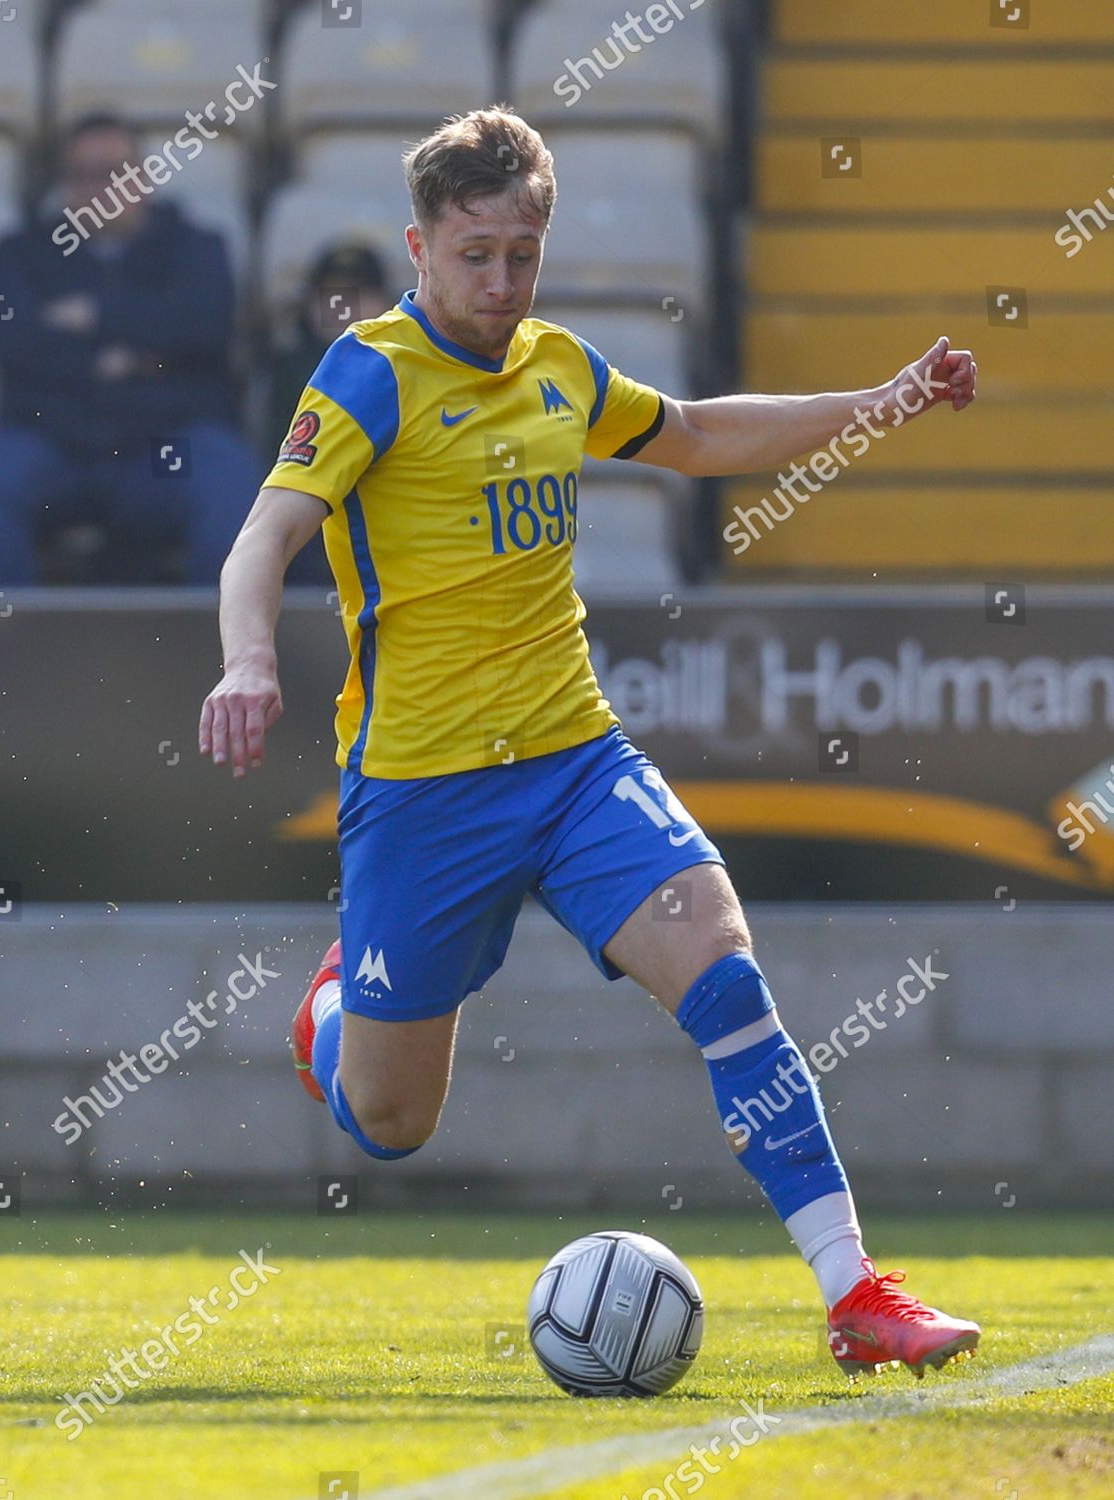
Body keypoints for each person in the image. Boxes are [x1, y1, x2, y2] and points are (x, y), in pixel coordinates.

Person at [198, 107, 981, 1379]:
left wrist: (878, 403)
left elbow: (699, 436)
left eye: (520, 253)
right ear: (419, 245)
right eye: (473, 256)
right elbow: (263, 538)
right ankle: (333, 1013)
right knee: (392, 1121)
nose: (499, 283)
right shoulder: (367, 374)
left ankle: (856, 1294)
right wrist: (245, 660)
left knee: (726, 979)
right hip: (421, 795)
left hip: (575, 762)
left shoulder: (557, 365)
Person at [0, 112, 261, 585]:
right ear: (63, 184)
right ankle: (15, 645)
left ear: (144, 178)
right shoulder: (19, 252)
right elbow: (10, 344)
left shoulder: (198, 247)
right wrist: (134, 357)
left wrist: (96, 315)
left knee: (229, 480)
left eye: (116, 173)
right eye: (85, 176)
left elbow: (205, 327)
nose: (102, 189)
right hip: (56, 447)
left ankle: (213, 651)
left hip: (163, 449)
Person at [266, 242, 393, 585]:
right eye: (331, 296)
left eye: (357, 296)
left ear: (383, 302)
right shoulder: (290, 370)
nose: (342, 307)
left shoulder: (406, 368)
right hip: (314, 505)